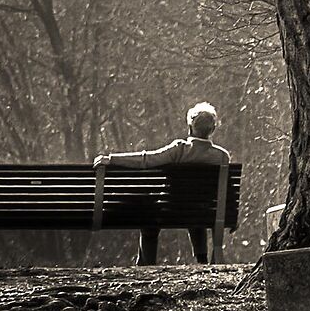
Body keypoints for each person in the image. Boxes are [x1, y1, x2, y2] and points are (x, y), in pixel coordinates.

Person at [95, 102, 230, 266]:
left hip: (170, 211)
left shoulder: (179, 149)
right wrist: (229, 216)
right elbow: (227, 192)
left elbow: (146, 159)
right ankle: (202, 260)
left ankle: (147, 264)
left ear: (190, 127)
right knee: (197, 208)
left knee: (149, 217)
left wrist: (111, 159)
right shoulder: (222, 156)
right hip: (205, 212)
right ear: (212, 129)